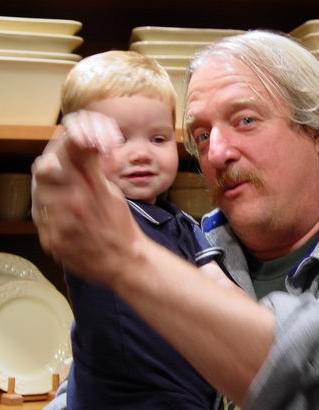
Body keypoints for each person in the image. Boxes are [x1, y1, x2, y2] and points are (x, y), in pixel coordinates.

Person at [32, 31, 319, 409]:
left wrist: (127, 260)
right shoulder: (186, 245)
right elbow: (98, 377)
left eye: (245, 120)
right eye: (201, 135)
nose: (216, 153)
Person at [51, 50, 233, 410]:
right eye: (118, 139)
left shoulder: (183, 224)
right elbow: (60, 187)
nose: (141, 154)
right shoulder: (97, 215)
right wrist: (73, 152)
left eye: (158, 139)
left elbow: (222, 293)